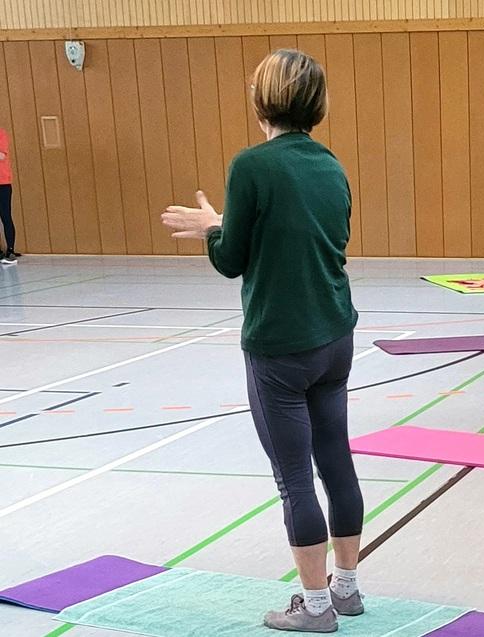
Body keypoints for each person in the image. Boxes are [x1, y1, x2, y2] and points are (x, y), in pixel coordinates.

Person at [162, 49, 364, 633]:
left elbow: (231, 260)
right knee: (336, 461)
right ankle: (345, 589)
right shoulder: (330, 164)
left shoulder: (251, 166)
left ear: (260, 101)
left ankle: (316, 606)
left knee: (294, 478)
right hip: (335, 334)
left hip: (280, 344)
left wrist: (212, 227)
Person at [0, 127, 18, 265]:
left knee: (5, 216)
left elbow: (2, 156)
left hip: (3, 183)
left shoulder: (1, 133)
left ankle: (10, 251)